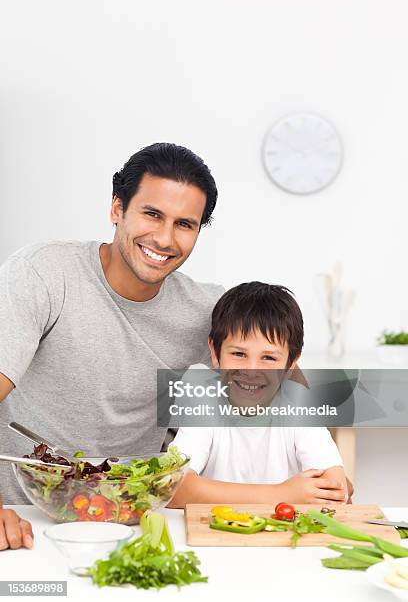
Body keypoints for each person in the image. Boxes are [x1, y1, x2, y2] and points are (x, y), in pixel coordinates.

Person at [0, 143, 224, 550]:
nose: (164, 238)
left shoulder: (204, 311)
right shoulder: (44, 274)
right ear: (117, 209)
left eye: (184, 224)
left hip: (137, 524)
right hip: (27, 521)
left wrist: (324, 467)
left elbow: (275, 386)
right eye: (152, 214)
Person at [168, 282, 351, 508]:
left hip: (284, 537)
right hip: (216, 535)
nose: (251, 371)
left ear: (290, 364)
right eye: (238, 354)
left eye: (269, 358)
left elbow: (334, 488)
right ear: (215, 353)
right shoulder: (204, 403)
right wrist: (280, 494)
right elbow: (172, 488)